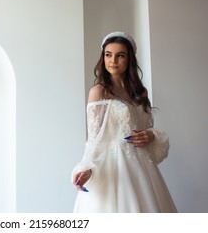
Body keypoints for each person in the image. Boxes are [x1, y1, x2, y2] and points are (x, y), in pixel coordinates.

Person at [71, 31, 177, 212]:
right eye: (108, 55)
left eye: (120, 55)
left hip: (141, 166)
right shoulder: (99, 91)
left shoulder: (140, 92)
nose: (113, 60)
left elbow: (145, 128)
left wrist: (150, 136)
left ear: (129, 59)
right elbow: (94, 137)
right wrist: (87, 166)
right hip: (112, 167)